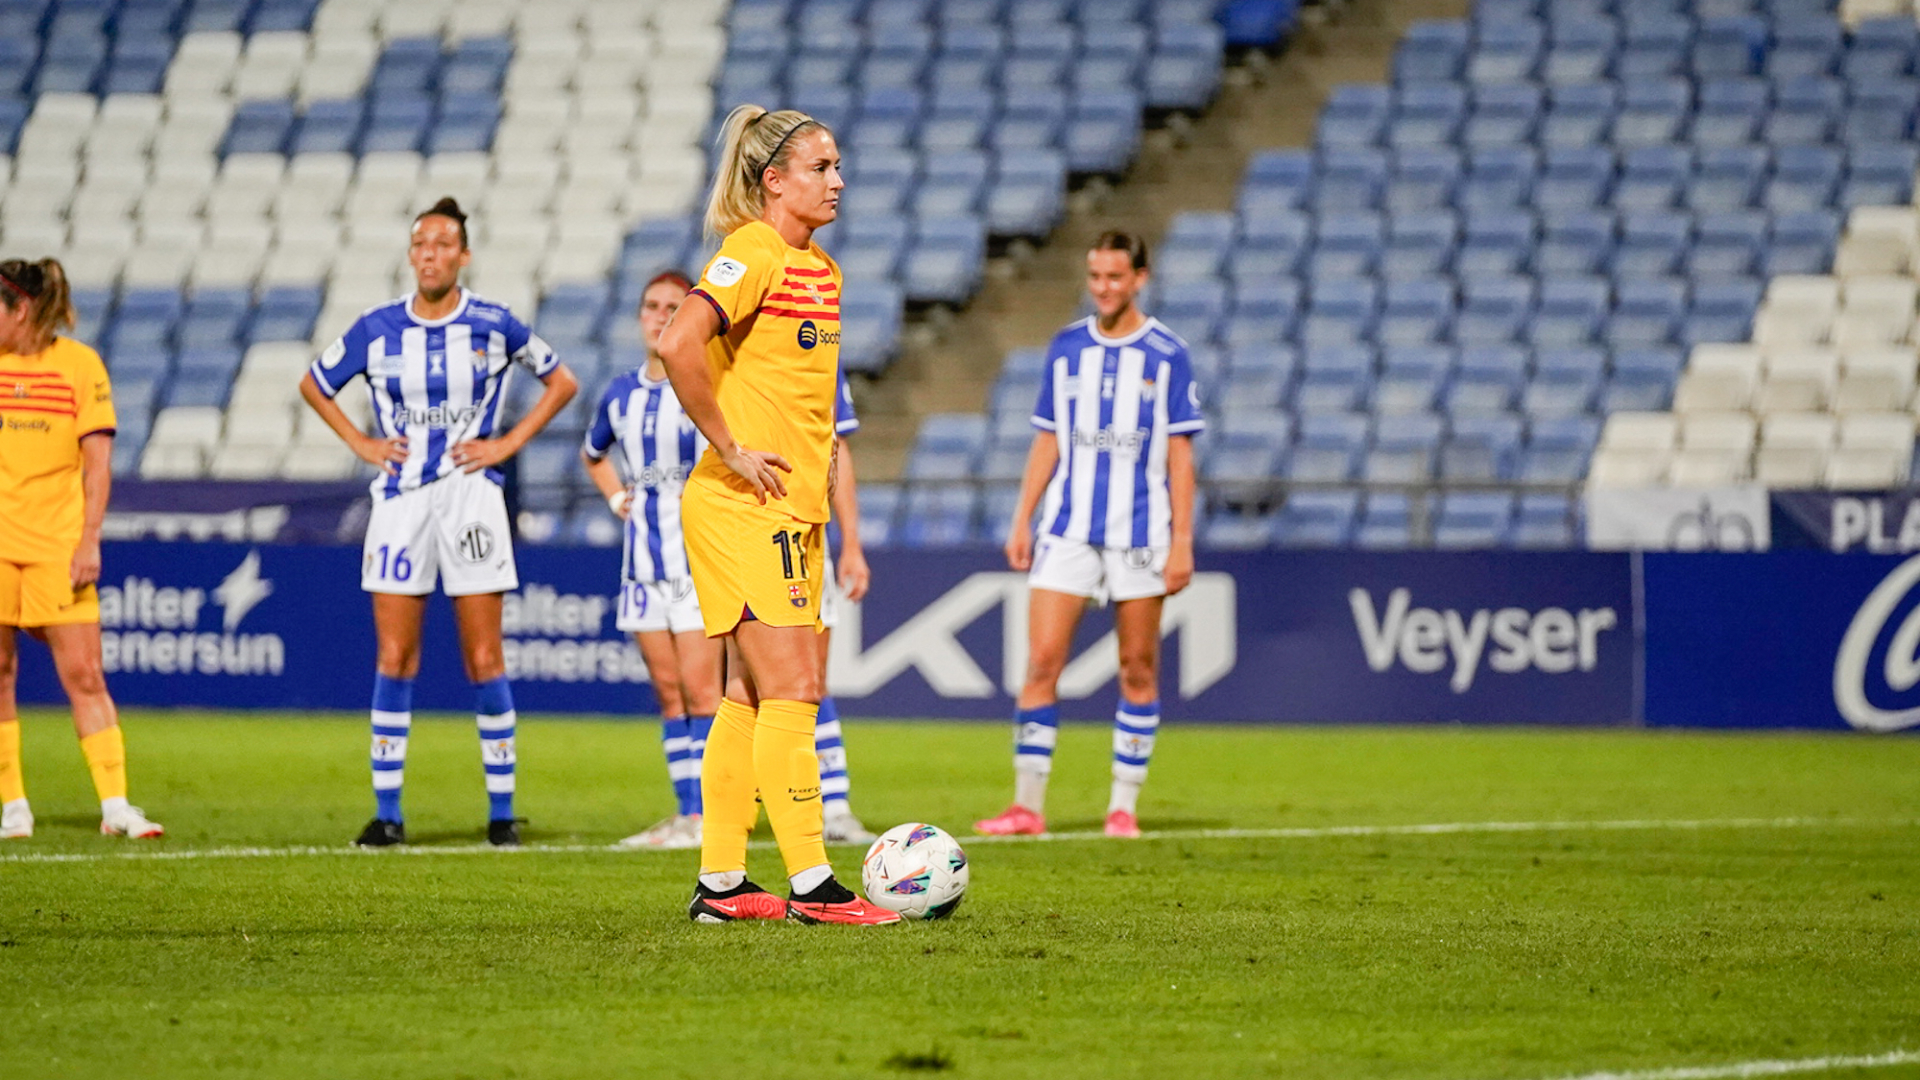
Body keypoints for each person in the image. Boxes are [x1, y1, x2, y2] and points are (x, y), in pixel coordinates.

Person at [656, 103, 897, 925]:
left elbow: (812, 415)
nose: (838, 181)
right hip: (743, 505)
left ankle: (722, 885)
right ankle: (813, 885)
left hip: (790, 510)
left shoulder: (820, 271)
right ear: (775, 180)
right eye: (821, 168)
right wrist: (727, 446)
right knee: (796, 687)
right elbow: (678, 344)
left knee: (748, 695)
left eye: (837, 167)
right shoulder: (750, 252)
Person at [300, 197, 578, 849]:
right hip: (399, 501)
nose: (430, 254)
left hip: (471, 498)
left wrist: (506, 444)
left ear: (463, 255)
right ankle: (389, 813)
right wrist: (363, 445)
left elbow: (561, 381)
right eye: (421, 243)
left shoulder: (491, 323)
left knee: (485, 655)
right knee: (396, 655)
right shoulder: (376, 327)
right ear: (411, 255)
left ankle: (502, 813)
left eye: (443, 243)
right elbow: (315, 383)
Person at [585, 271, 876, 852]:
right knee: (728, 691)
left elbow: (836, 446)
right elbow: (594, 451)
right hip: (695, 546)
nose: (662, 316)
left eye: (674, 305)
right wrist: (621, 496)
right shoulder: (646, 385)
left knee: (785, 682)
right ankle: (725, 840)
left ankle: (818, 817)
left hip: (771, 532)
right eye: (652, 305)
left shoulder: (795, 350)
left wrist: (851, 541)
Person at [975, 231, 1204, 841]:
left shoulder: (1167, 354)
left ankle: (1121, 807)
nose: (1103, 288)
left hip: (1141, 534)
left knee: (1137, 667)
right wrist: (1022, 517)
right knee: (1042, 663)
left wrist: (1183, 541)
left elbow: (1181, 456)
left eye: (1115, 277)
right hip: (1069, 530)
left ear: (1140, 279)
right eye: (1095, 276)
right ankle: (1026, 807)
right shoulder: (1067, 347)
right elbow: (1047, 437)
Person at [0, 257, 163, 841]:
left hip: (56, 544)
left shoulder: (78, 365)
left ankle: (115, 805)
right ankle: (11, 806)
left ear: (20, 310)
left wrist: (89, 538)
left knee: (85, 674)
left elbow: (97, 466)